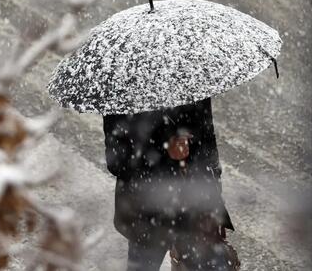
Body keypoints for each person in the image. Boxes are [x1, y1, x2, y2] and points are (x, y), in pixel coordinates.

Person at [103, 98, 240, 271]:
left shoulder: (191, 77)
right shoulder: (124, 89)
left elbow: (207, 139)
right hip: (148, 213)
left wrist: (215, 199)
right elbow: (116, 161)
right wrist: (165, 150)